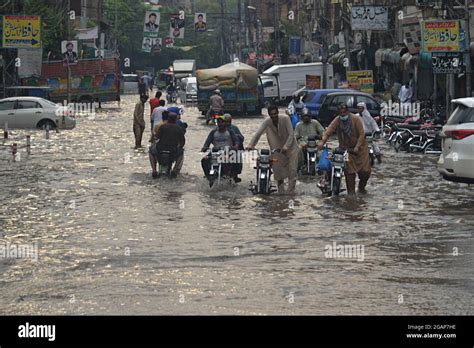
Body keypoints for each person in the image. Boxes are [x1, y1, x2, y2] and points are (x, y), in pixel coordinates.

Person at [318, 103, 371, 195]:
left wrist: (357, 147)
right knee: (349, 173)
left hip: (360, 150)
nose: (343, 115)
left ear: (348, 111)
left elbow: (362, 134)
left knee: (365, 172)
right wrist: (322, 142)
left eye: (344, 112)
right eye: (340, 113)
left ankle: (361, 188)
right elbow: (328, 131)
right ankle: (351, 196)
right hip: (346, 149)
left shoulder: (355, 119)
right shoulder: (337, 120)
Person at [246, 105, 299, 194]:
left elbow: (291, 134)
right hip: (277, 149)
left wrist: (286, 147)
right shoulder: (267, 121)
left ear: (278, 113)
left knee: (292, 171)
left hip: (291, 148)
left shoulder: (285, 118)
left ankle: (290, 193)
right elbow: (258, 133)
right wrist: (250, 145)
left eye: (275, 114)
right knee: (278, 171)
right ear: (269, 115)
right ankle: (281, 192)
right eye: (271, 114)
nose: (273, 116)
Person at [201, 116, 241, 183]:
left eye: (222, 122)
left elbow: (236, 141)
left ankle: (233, 175)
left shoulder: (230, 132)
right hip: (215, 151)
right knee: (204, 160)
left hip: (228, 151)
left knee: (236, 160)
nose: (220, 124)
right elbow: (207, 142)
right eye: (219, 122)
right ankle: (207, 176)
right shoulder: (213, 132)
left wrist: (236, 146)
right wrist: (204, 147)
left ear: (225, 123)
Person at [149, 113, 185, 179]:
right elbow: (182, 142)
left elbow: (157, 137)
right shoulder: (179, 128)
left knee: (151, 150)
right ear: (175, 120)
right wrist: (180, 147)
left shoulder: (162, 127)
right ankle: (175, 169)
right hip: (173, 151)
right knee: (181, 153)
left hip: (160, 149)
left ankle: (154, 170)